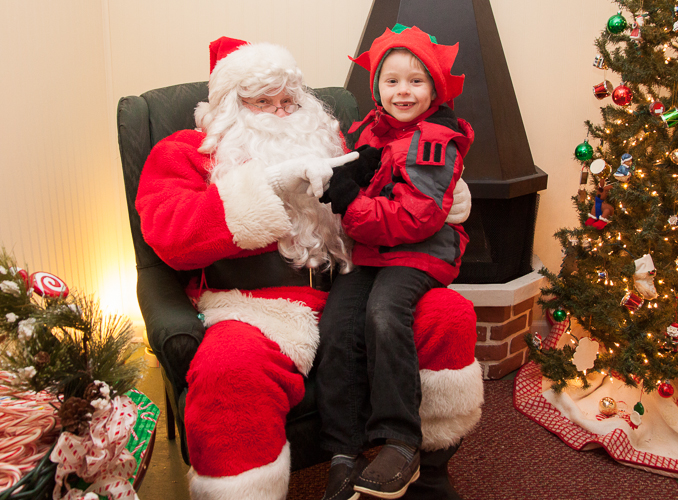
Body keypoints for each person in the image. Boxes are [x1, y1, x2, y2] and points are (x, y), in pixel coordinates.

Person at [136, 36, 481, 500]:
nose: (281, 113)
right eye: (262, 102)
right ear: (228, 107)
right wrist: (269, 186)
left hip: (349, 282)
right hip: (256, 308)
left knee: (447, 314)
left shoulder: (331, 137)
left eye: (288, 100)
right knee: (229, 371)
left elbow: (397, 182)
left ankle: (427, 472)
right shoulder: (187, 152)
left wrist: (448, 197)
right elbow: (170, 235)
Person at [316, 25, 477, 500]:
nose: (402, 91)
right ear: (378, 88)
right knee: (338, 325)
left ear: (433, 90)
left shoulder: (435, 141)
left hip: (421, 252)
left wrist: (350, 204)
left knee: (385, 313)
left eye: (415, 81)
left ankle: (401, 442)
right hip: (372, 252)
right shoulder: (368, 130)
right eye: (392, 81)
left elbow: (416, 217)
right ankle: (344, 452)